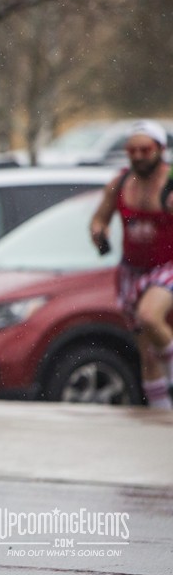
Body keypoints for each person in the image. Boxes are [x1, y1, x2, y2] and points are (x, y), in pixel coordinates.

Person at [90, 120, 173, 409]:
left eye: (145, 150)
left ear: (160, 149)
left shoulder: (170, 182)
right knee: (147, 352)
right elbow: (99, 218)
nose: (138, 156)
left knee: (149, 316)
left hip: (167, 266)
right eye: (132, 150)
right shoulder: (121, 183)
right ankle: (160, 414)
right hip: (132, 269)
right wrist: (99, 232)